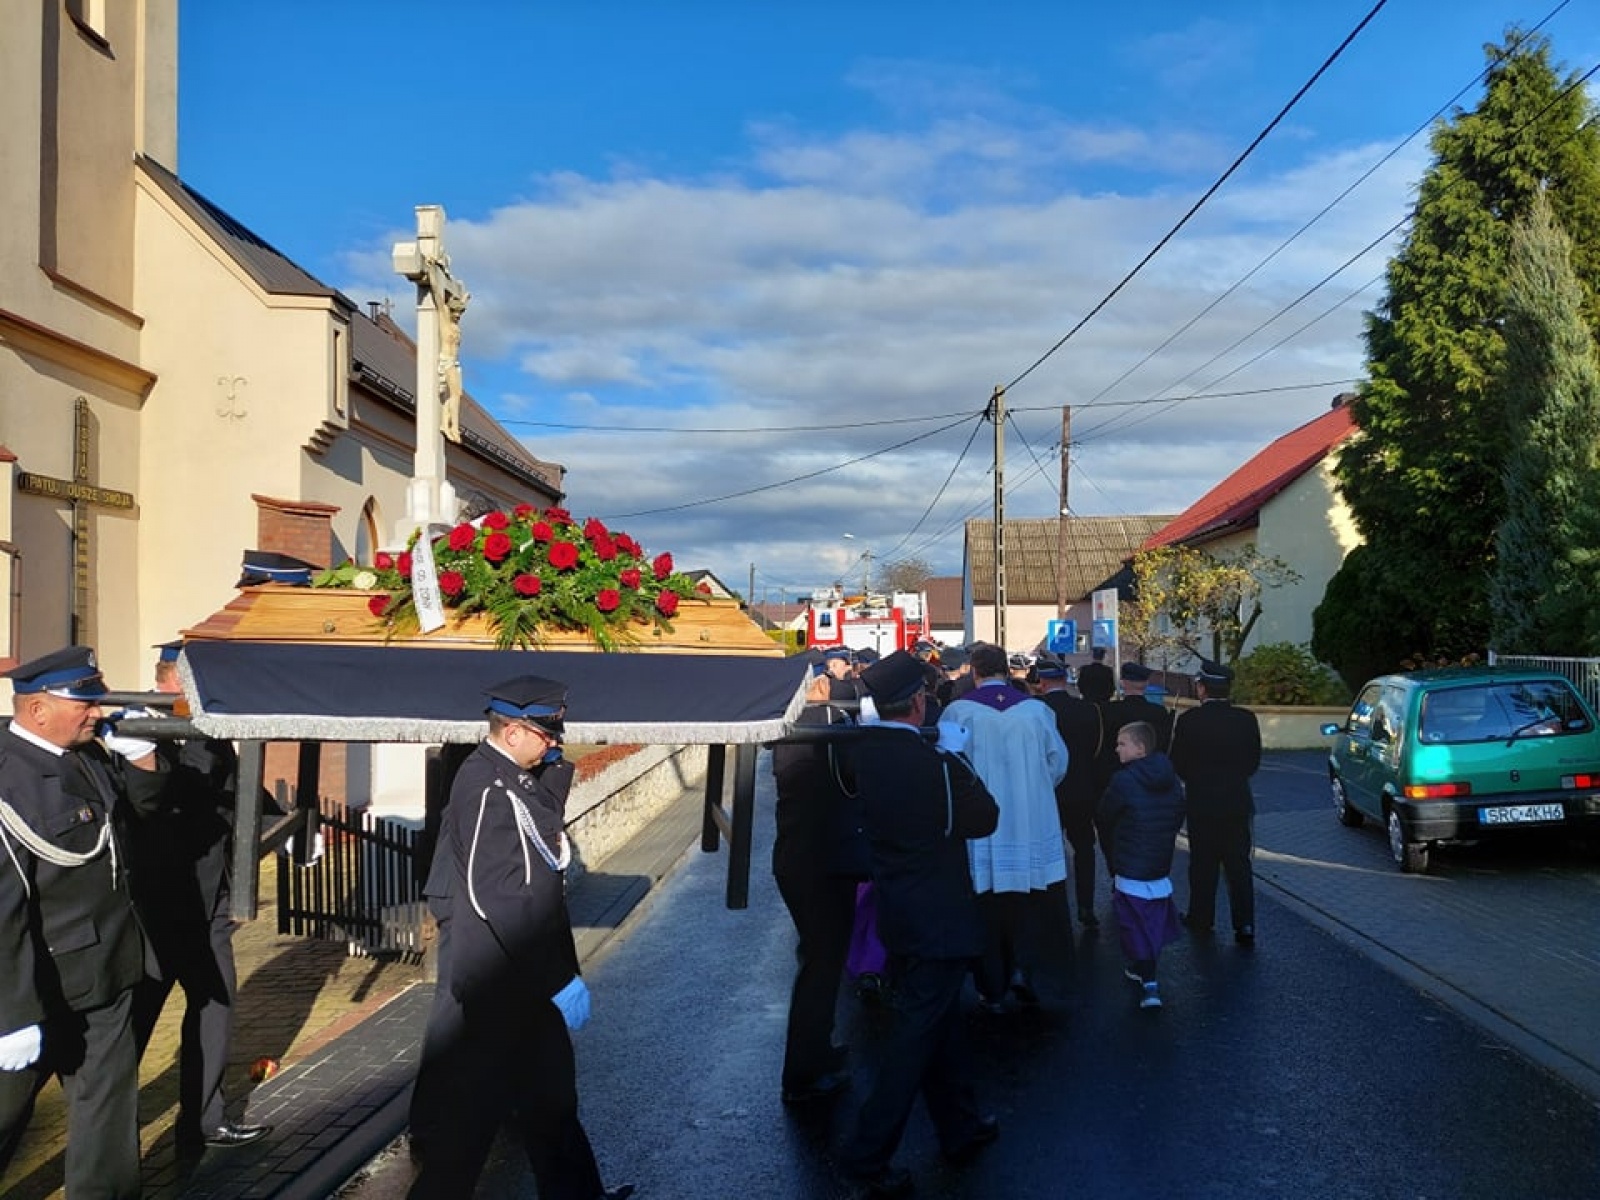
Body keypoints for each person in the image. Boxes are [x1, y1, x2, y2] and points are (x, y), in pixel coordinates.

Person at [408, 675, 632, 1200]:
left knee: (551, 1103)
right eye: (546, 733)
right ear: (512, 732)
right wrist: (555, 978)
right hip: (503, 985)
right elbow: (498, 898)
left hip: (519, 982)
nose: (554, 741)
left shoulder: (510, 777)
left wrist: (556, 766)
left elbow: (541, 822)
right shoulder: (488, 787)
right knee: (471, 1128)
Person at [0, 646, 169, 1199]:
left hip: (105, 970)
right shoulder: (8, 779)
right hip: (35, 988)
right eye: (85, 702)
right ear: (39, 709)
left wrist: (142, 761)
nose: (97, 712)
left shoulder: (87, 756)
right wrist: (11, 1016)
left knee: (107, 1121)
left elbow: (137, 826)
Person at [837, 651, 1000, 1198]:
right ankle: (866, 1156)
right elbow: (984, 817)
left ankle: (962, 1128)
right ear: (918, 701)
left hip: (901, 911)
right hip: (938, 916)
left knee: (939, 1025)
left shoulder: (867, 754)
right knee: (913, 1038)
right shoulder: (930, 763)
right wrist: (956, 760)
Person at [126, 641, 271, 1152]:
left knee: (216, 1009)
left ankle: (204, 1120)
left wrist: (282, 826)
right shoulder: (139, 732)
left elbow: (233, 788)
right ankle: (109, 1128)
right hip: (157, 910)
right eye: (191, 684)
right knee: (133, 1024)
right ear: (170, 682)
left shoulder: (205, 730)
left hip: (208, 906)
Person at [941, 643, 1068, 1011]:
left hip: (981, 827)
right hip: (1030, 820)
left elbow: (949, 765)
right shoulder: (1036, 711)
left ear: (975, 671)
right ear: (1005, 671)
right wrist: (1035, 791)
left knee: (987, 906)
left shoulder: (959, 711)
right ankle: (1027, 972)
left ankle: (990, 984)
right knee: (1029, 902)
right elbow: (1057, 762)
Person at [770, 670, 858, 1104]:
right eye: (820, 677)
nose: (827, 681)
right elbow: (848, 785)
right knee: (821, 969)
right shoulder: (818, 731)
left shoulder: (793, 732)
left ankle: (817, 1052)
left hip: (804, 860)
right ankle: (804, 1074)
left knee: (818, 961)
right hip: (818, 863)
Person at [1170, 658, 1263, 946]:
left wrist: (1197, 780)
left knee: (1202, 863)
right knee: (1239, 865)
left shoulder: (1188, 721)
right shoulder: (1246, 719)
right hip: (1236, 800)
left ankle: (1202, 917)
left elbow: (1178, 763)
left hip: (1202, 802)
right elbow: (1253, 761)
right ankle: (1244, 924)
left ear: (1202, 688)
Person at [1097, 721, 1186, 1010]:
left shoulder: (1123, 780)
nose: (1116, 748)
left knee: (1133, 921)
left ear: (1140, 748)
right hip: (1159, 861)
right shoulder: (1171, 779)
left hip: (1131, 860)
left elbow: (1105, 814)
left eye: (1122, 743)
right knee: (1153, 917)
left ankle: (1149, 981)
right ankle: (1143, 966)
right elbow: (1177, 814)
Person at [1034, 653, 1104, 929]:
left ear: (1041, 681)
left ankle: (1049, 907)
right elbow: (1096, 750)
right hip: (1081, 790)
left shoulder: (1034, 711)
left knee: (1046, 850)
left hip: (1047, 791)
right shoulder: (1089, 710)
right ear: (1065, 679)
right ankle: (1086, 905)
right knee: (1085, 848)